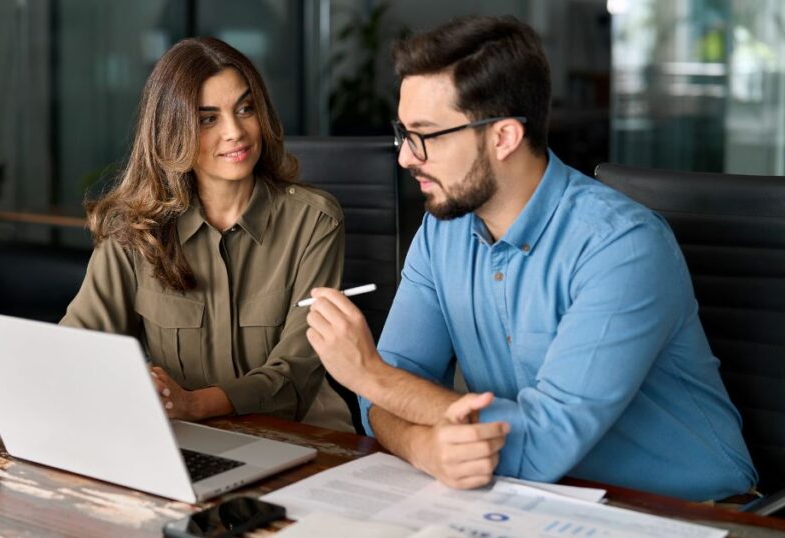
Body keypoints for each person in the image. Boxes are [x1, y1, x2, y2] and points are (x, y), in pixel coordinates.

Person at [304, 16, 757, 500]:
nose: (406, 158)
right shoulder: (442, 232)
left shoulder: (622, 247)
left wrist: (369, 373)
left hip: (690, 514)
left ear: (503, 137)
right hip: (526, 502)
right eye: (404, 133)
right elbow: (387, 398)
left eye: (426, 136)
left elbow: (537, 445)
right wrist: (422, 446)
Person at [61, 37, 353, 432]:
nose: (236, 131)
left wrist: (194, 403)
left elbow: (294, 376)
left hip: (302, 434)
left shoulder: (314, 222)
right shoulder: (136, 230)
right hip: (184, 435)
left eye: (245, 109)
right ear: (171, 130)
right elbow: (77, 349)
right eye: (208, 118)